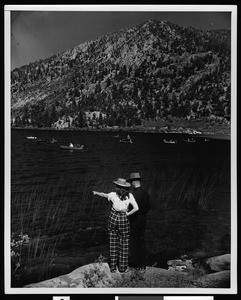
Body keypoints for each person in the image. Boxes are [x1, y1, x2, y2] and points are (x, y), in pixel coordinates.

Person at [93, 178, 139, 273]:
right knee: (124, 242)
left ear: (117, 187)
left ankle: (113, 268)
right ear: (126, 188)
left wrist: (96, 192)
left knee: (113, 242)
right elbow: (136, 208)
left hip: (113, 218)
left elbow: (104, 195)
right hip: (123, 218)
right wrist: (127, 214)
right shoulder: (129, 195)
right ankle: (122, 268)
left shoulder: (113, 194)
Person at [127, 172, 150, 270]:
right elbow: (148, 207)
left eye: (131, 182)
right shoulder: (145, 192)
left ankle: (137, 266)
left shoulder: (134, 194)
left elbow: (131, 209)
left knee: (134, 243)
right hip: (143, 219)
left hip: (135, 220)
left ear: (133, 182)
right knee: (141, 242)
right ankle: (143, 265)